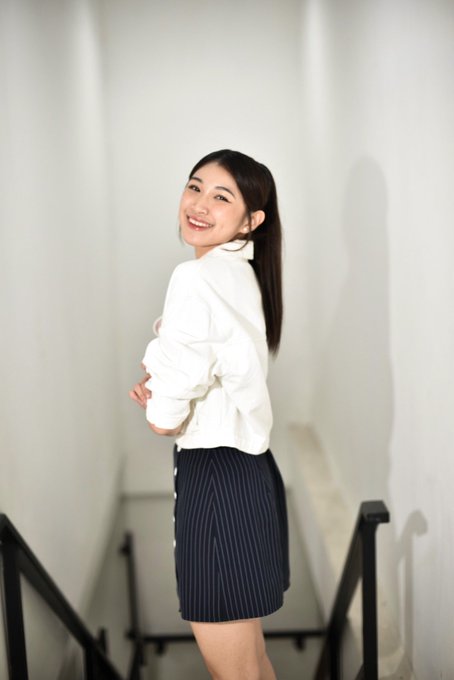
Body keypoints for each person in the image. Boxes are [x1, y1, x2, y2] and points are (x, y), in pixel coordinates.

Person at [129, 149, 290, 680]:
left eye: (222, 197)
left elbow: (164, 420)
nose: (198, 204)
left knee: (236, 672)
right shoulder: (241, 275)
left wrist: (161, 400)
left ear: (250, 220)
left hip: (216, 478)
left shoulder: (196, 278)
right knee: (252, 664)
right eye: (194, 187)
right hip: (247, 474)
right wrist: (166, 382)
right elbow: (206, 362)